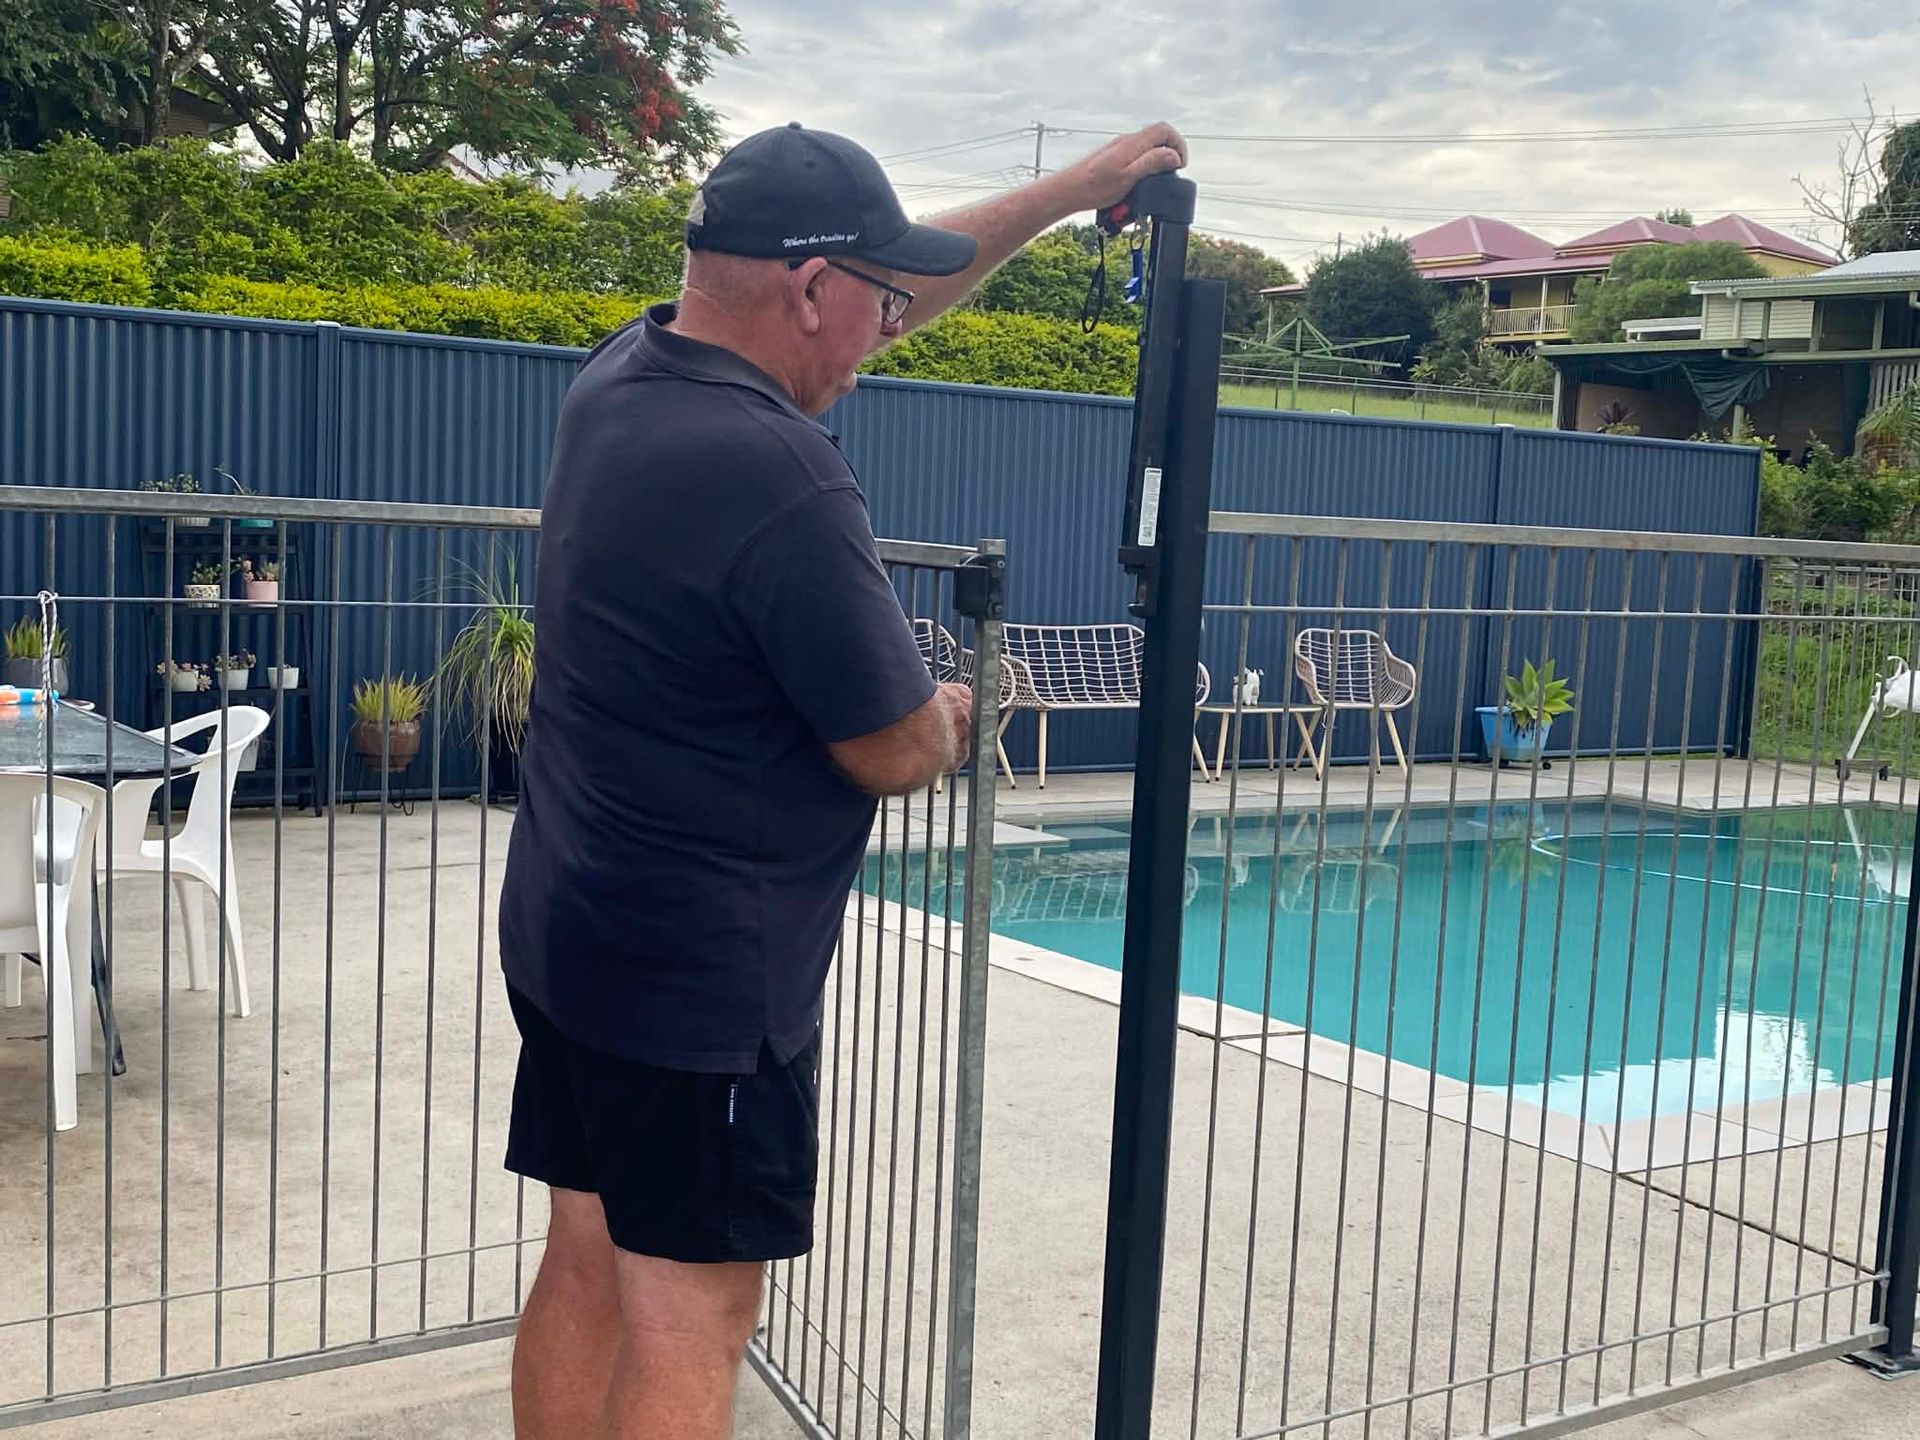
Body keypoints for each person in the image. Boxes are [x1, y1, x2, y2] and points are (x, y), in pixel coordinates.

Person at [498, 118, 1187, 1440]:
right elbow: (888, 746)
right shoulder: (783, 476)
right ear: (808, 286)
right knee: (690, 1324)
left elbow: (878, 301)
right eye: (873, 299)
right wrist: (953, 710)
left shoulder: (627, 375)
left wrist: (1076, 191)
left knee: (586, 1263)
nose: (890, 330)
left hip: (573, 933)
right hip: (703, 993)